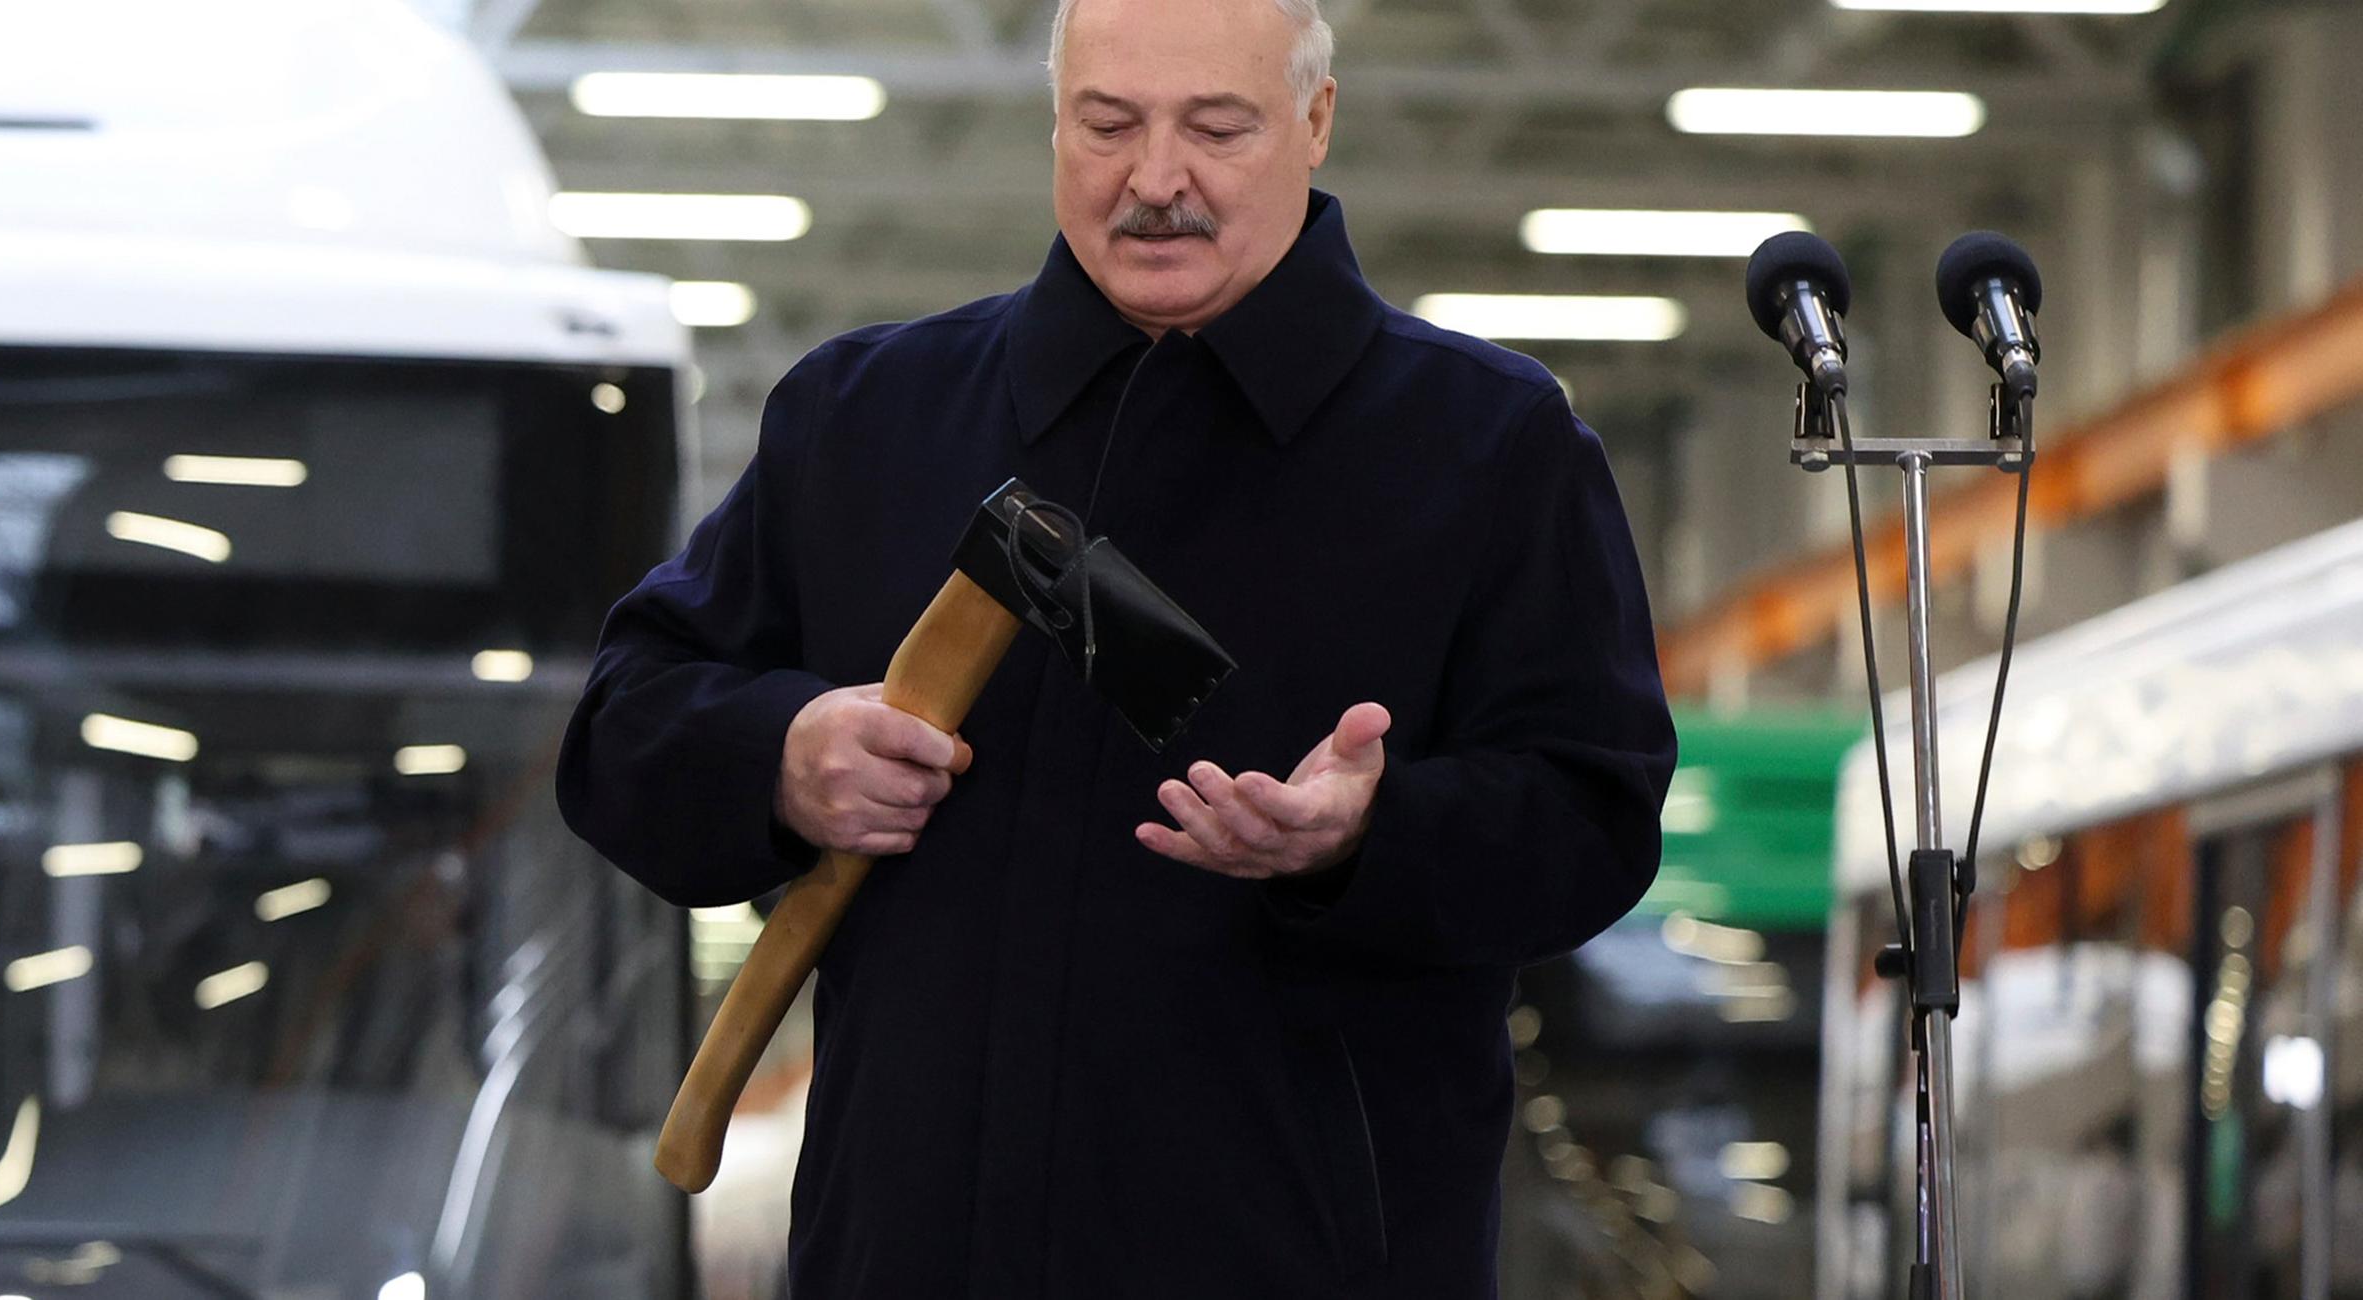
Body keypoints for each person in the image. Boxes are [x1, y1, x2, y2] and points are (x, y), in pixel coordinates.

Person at [556, 0, 1676, 1292]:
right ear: (1053, 123)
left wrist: (1370, 838)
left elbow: (1597, 816)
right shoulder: (869, 421)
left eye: (1215, 128)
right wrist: (783, 757)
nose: (1156, 181)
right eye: (1108, 125)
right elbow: (622, 722)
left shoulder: (1487, 449)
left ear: (1316, 121)